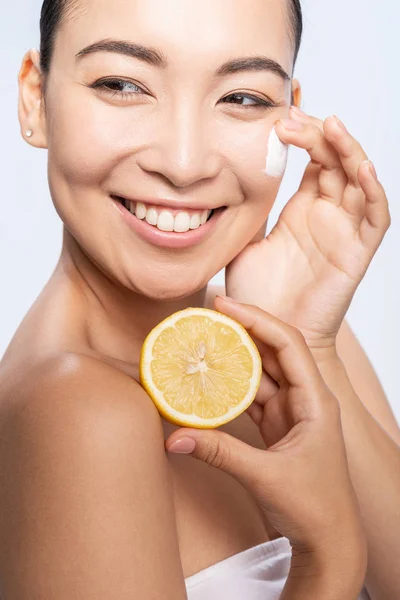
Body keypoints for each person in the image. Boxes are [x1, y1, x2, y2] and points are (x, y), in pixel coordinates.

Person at [0, 0, 399, 598]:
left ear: (289, 116)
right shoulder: (79, 414)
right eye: (123, 84)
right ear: (36, 99)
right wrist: (330, 559)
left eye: (243, 98)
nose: (184, 164)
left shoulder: (294, 334)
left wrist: (308, 344)